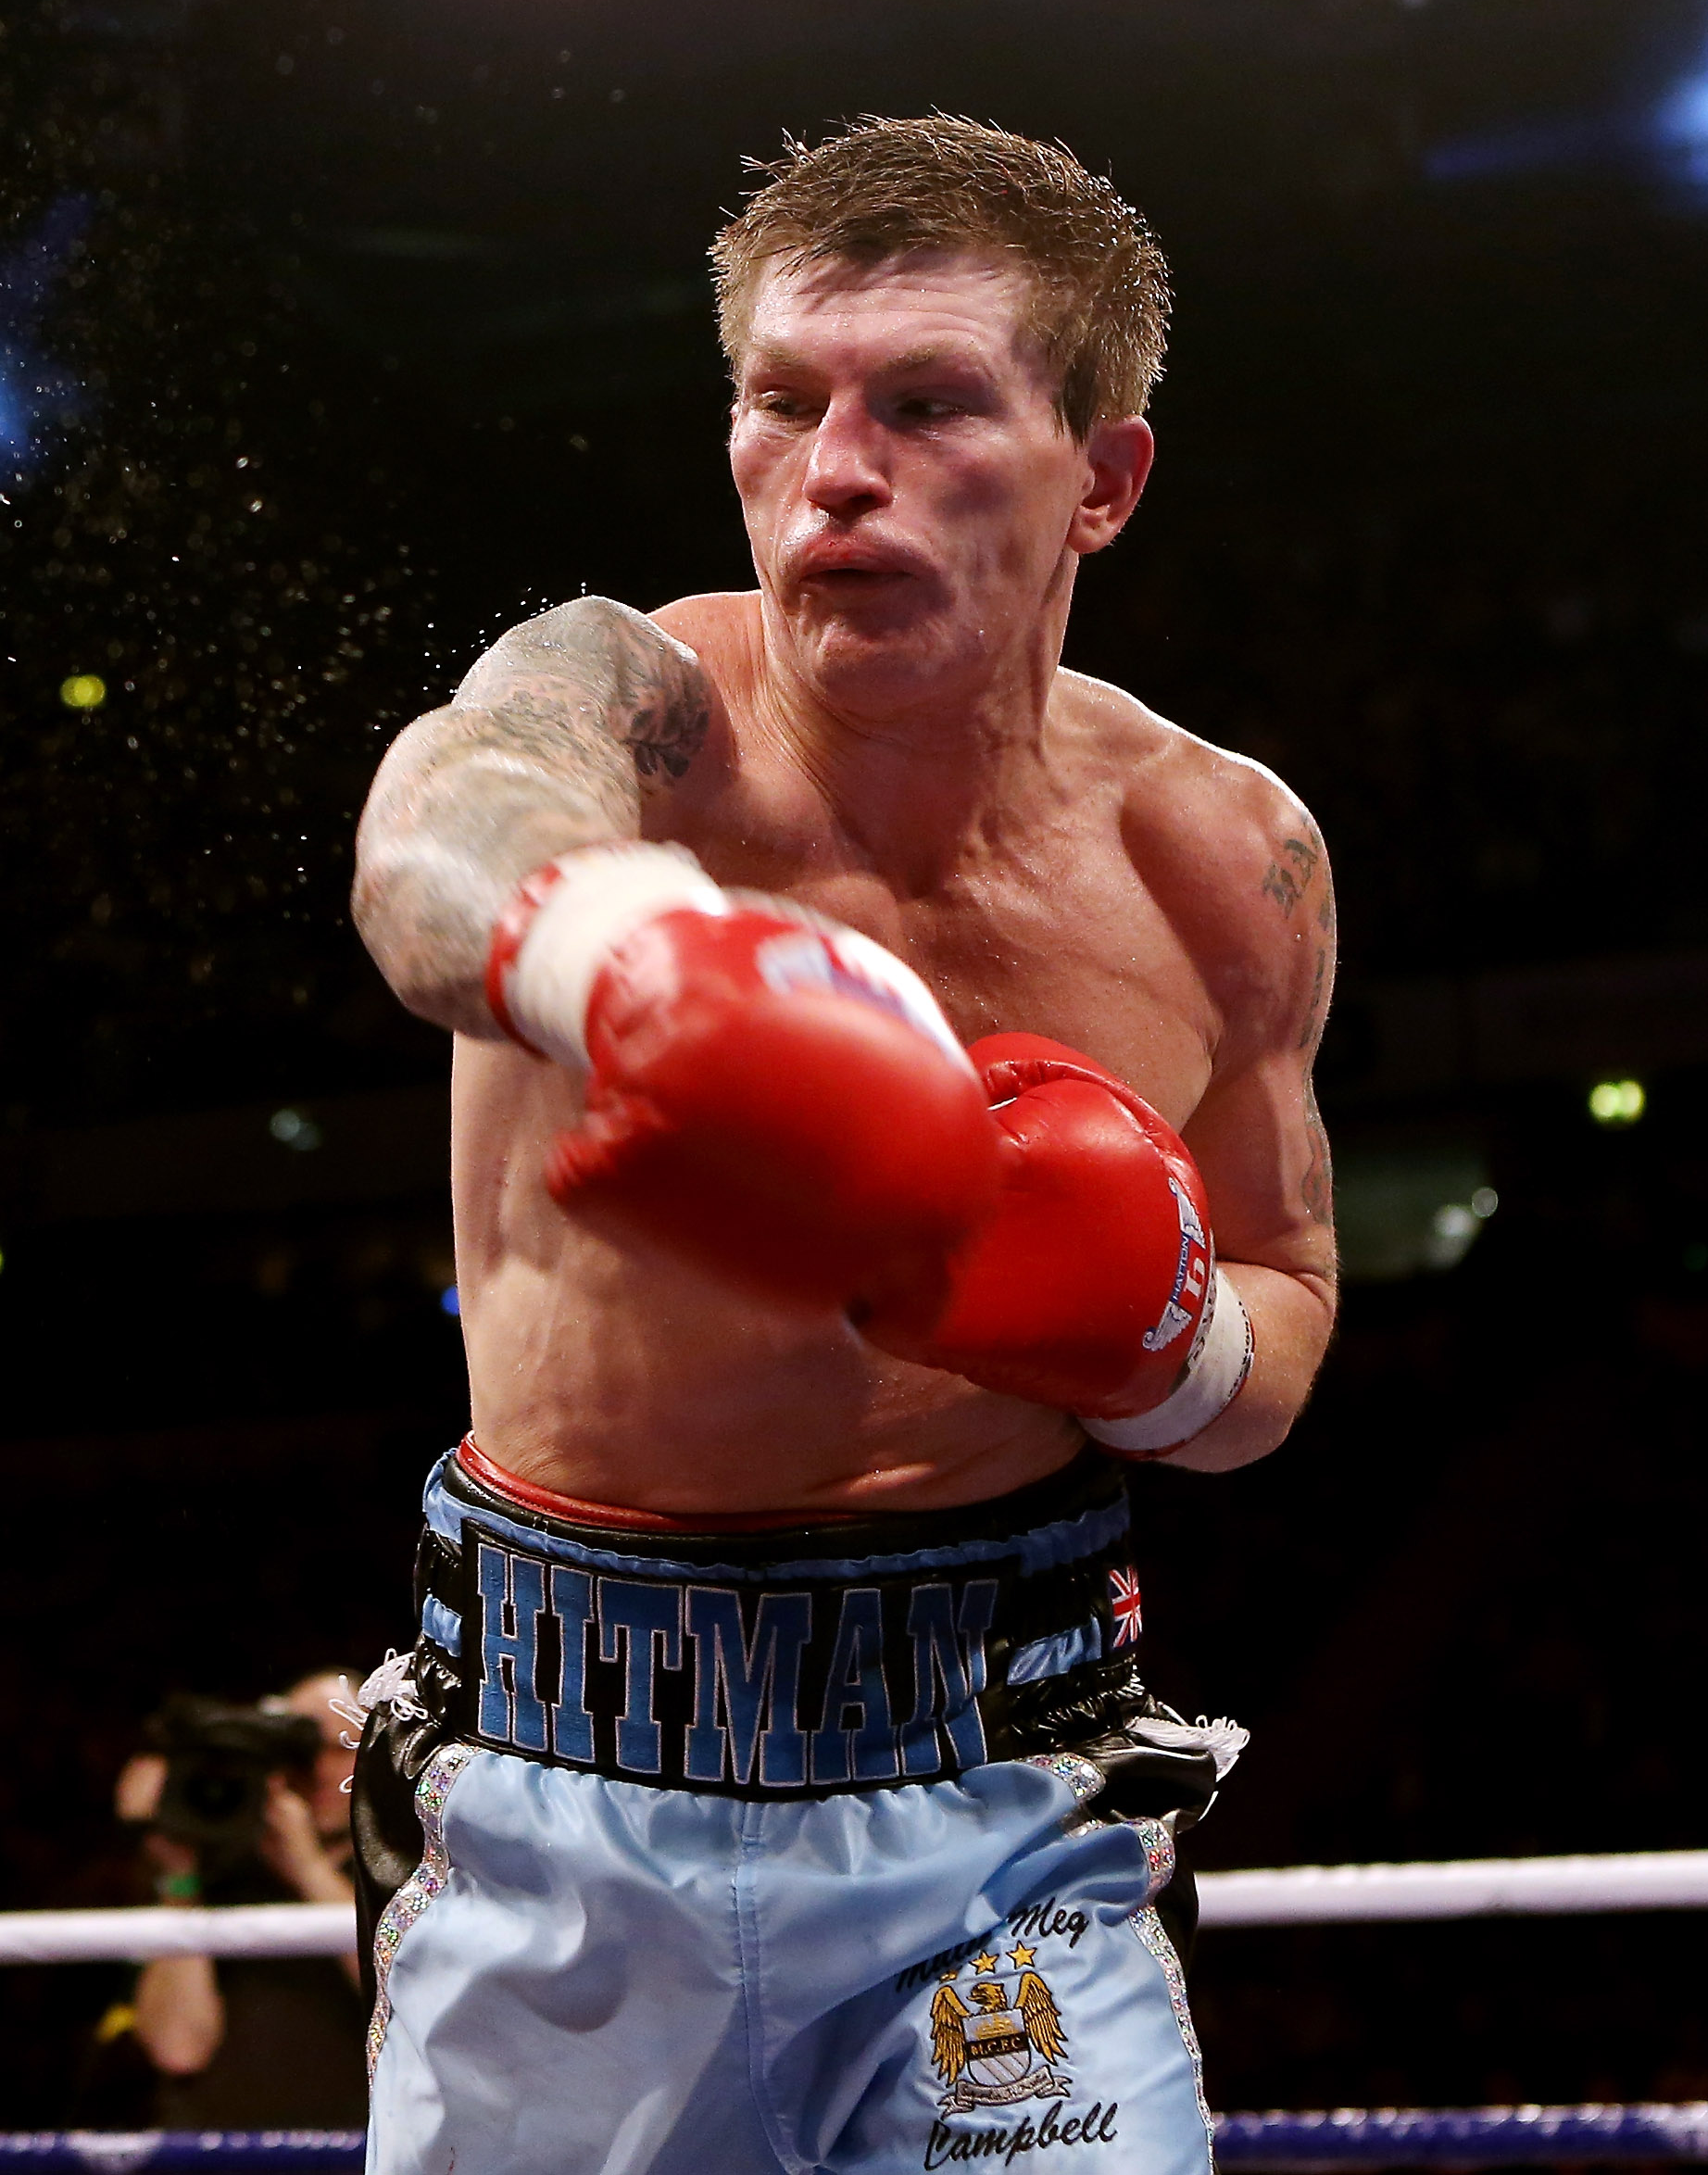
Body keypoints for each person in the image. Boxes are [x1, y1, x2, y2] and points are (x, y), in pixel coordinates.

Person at [345, 117, 1338, 2175]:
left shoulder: (1222, 860)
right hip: (556, 1785)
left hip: (1003, 1796)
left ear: (1105, 480)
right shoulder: (630, 703)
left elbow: (1291, 1305)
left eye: (928, 403)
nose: (836, 466)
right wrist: (644, 967)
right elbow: (437, 843)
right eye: (782, 400)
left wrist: (1159, 1342)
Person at [106, 1670, 369, 2131]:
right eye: (304, 1749)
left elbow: (403, 1995)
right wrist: (180, 1877)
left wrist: (306, 1868)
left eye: (344, 1747)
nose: (321, 1769)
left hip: (351, 2154)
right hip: (216, 2156)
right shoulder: (212, 1874)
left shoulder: (406, 1869)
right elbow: (178, 2048)